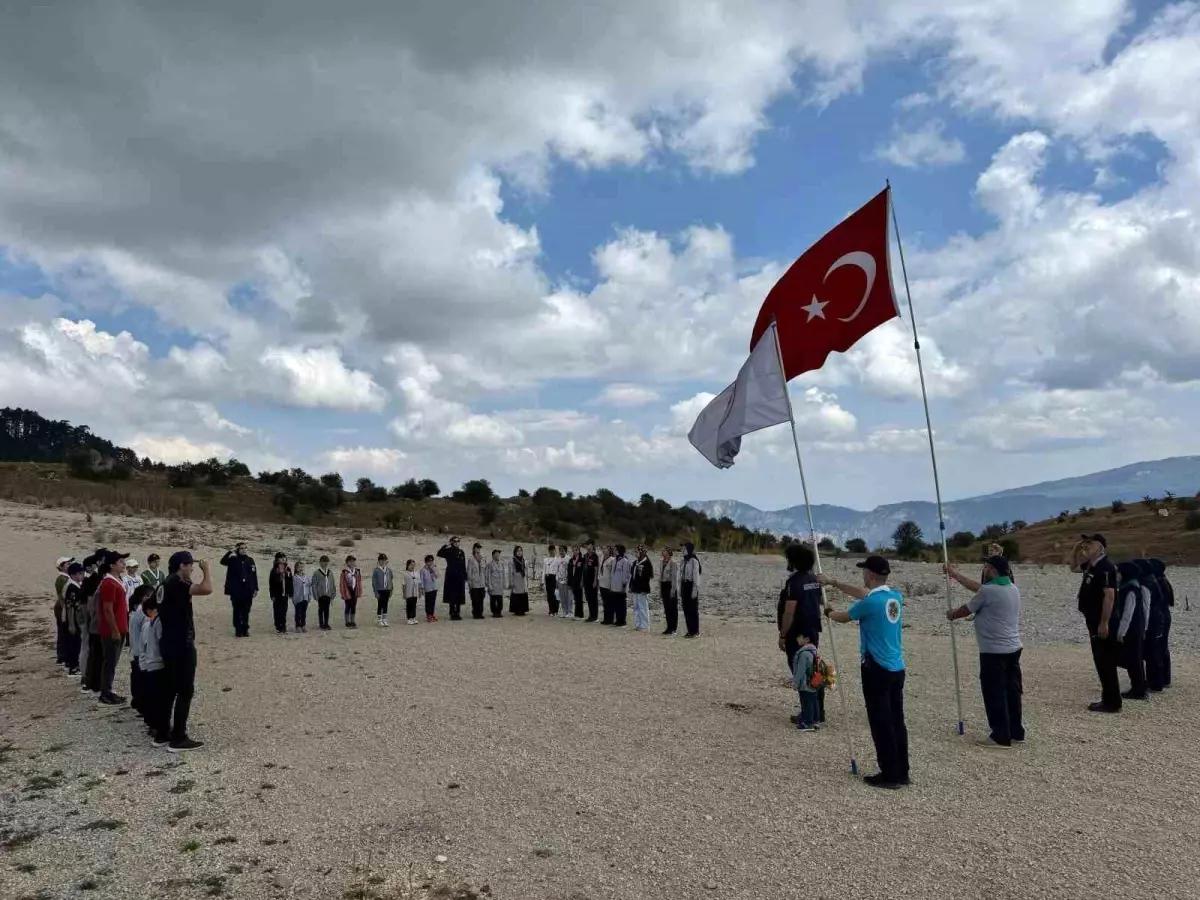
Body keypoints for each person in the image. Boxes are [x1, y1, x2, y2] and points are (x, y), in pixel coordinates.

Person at [821, 556, 909, 789]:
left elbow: (844, 617)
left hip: (876, 667)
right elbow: (862, 593)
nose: (862, 576)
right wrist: (833, 582)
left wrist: (829, 612)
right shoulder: (893, 597)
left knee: (881, 721)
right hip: (897, 667)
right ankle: (902, 771)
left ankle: (889, 774)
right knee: (897, 720)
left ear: (870, 574)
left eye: (864, 572)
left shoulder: (871, 603)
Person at [945, 556, 1025, 747]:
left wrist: (952, 614)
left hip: (993, 651)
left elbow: (967, 609)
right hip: (1013, 648)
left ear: (993, 571)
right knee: (1012, 691)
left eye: (986, 567)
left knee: (994, 692)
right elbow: (978, 588)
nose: (984, 570)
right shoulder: (1012, 588)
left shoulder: (989, 591)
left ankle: (1000, 735)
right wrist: (955, 575)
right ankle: (1016, 732)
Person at [158, 551, 213, 751]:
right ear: (182, 566)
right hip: (181, 644)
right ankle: (178, 737)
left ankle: (162, 732)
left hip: (168, 642)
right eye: (190, 565)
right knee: (184, 690)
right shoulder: (177, 584)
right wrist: (206, 570)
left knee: (169, 689)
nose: (192, 569)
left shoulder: (164, 584)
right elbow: (207, 589)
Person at [1071, 534, 1120, 712]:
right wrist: (1076, 550)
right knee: (1100, 660)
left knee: (1105, 660)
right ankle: (1108, 698)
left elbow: (1110, 596)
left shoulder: (1106, 567)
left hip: (1101, 621)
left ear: (1100, 547)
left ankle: (1112, 702)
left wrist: (1104, 622)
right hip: (1092, 619)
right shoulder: (1092, 565)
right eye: (1085, 544)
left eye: (1089, 544)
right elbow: (1074, 568)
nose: (1086, 547)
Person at [778, 544, 824, 724]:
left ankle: (808, 716)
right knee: (812, 670)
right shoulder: (814, 579)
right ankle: (818, 711)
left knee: (801, 673)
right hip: (813, 630)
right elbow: (818, 600)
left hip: (797, 633)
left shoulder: (794, 582)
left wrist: (783, 634)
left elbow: (789, 611)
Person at [97, 550, 131, 705]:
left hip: (121, 626)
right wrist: (114, 630)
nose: (123, 564)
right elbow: (107, 609)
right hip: (113, 629)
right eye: (120, 562)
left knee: (113, 661)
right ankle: (105, 692)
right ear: (112, 565)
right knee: (110, 661)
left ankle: (108, 690)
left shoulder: (117, 580)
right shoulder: (108, 583)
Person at [1115, 561, 1149, 701]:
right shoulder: (1137, 587)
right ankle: (1140, 686)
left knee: (1133, 660)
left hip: (1131, 629)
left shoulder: (1130, 590)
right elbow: (1146, 610)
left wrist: (1121, 632)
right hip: (1138, 628)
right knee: (1136, 659)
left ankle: (1138, 690)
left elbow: (1127, 613)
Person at [139, 592, 166, 746]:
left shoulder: (150, 623)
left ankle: (154, 725)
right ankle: (158, 727)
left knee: (154, 697)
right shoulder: (152, 623)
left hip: (149, 664)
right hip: (155, 664)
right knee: (158, 699)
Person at [1145, 558, 1174, 691]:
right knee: (1163, 647)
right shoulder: (1163, 581)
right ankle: (1164, 677)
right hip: (1165, 616)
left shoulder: (1156, 583)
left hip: (1159, 617)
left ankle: (1157, 679)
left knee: (1156, 648)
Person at [220, 542, 258, 638]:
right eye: (241, 548)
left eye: (245, 548)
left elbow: (254, 575)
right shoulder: (233, 559)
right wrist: (231, 551)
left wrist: (256, 587)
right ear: (238, 549)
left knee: (246, 610)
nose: (244, 550)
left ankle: (245, 629)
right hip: (236, 589)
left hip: (248, 589)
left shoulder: (250, 560)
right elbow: (222, 561)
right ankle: (238, 629)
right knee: (237, 610)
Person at [128, 584, 154, 719]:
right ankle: (142, 706)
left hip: (136, 650)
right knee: (143, 682)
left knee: (138, 678)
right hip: (141, 652)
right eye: (149, 596)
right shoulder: (142, 613)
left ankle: (139, 702)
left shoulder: (136, 611)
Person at [793, 632, 821, 732]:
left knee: (806, 702)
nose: (797, 639)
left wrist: (796, 683)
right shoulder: (813, 651)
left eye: (799, 636)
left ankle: (808, 723)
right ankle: (815, 720)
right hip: (813, 681)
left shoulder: (804, 653)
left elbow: (801, 670)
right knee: (813, 700)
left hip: (805, 683)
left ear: (807, 639)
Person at [62, 561, 86, 676]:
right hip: (74, 619)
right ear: (74, 574)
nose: (82, 575)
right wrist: (71, 624)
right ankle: (73, 667)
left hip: (77, 617)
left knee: (77, 642)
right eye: (80, 573)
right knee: (74, 642)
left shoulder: (76, 585)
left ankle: (74, 665)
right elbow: (70, 606)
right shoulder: (72, 587)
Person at [437, 537, 468, 621]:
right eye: (455, 541)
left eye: (458, 541)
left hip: (460, 575)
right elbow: (439, 553)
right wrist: (446, 545)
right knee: (452, 594)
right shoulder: (449, 551)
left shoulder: (461, 552)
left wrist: (465, 575)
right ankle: (452, 612)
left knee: (459, 594)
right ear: (452, 542)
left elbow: (463, 564)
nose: (457, 542)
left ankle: (457, 612)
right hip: (451, 575)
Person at [54, 555, 74, 667]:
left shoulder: (66, 577)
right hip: (62, 607)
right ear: (61, 567)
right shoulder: (62, 579)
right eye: (67, 564)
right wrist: (64, 611)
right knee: (63, 631)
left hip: (64, 607)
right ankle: (62, 656)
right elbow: (62, 596)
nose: (69, 565)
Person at [629, 546, 654, 632]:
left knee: (643, 606)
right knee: (636, 606)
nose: (636, 553)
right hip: (635, 587)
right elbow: (632, 576)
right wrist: (630, 586)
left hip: (643, 588)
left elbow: (647, 577)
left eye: (637, 552)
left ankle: (645, 625)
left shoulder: (646, 563)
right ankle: (638, 623)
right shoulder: (635, 562)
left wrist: (644, 588)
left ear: (642, 553)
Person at [680, 542, 702, 638]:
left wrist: (694, 589)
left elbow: (696, 576)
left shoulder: (694, 561)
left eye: (684, 549)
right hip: (684, 585)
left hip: (691, 585)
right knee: (686, 609)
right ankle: (689, 630)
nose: (682, 551)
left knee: (693, 609)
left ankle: (695, 631)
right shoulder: (684, 561)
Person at [269, 554, 293, 635]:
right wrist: (272, 595)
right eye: (281, 558)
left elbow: (290, 581)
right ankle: (278, 626)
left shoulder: (288, 569)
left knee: (284, 610)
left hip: (285, 594)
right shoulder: (274, 570)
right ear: (277, 560)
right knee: (277, 610)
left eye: (284, 558)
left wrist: (290, 592)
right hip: (277, 594)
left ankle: (283, 625)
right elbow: (271, 584)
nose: (283, 559)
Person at [609, 545, 631, 627]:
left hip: (621, 587)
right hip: (614, 586)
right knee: (616, 604)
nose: (614, 551)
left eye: (615, 550)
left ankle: (622, 620)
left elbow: (626, 574)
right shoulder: (615, 560)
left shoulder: (625, 561)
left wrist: (624, 585)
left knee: (622, 604)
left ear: (618, 550)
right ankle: (617, 619)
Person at [312, 556, 336, 631]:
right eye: (323, 561)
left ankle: (326, 623)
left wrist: (333, 594)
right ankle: (321, 623)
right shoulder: (317, 573)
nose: (325, 563)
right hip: (321, 595)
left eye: (326, 562)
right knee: (321, 609)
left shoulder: (330, 572)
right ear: (320, 562)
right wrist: (316, 595)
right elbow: (314, 584)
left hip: (328, 594)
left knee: (327, 609)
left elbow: (332, 583)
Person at [659, 548, 679, 636]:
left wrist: (673, 589)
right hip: (663, 585)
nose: (662, 552)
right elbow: (660, 575)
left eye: (664, 551)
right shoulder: (662, 562)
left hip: (670, 585)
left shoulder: (673, 563)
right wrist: (660, 589)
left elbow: (674, 577)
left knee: (672, 608)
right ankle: (668, 627)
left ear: (668, 553)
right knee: (666, 608)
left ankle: (673, 628)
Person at [340, 555, 362, 628]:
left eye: (353, 561)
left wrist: (359, 591)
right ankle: (347, 621)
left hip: (355, 590)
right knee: (348, 606)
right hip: (347, 591)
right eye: (350, 561)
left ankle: (353, 621)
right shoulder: (344, 572)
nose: (352, 563)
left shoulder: (357, 571)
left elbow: (359, 582)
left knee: (353, 606)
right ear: (347, 563)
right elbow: (342, 584)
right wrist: (343, 593)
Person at [372, 553, 394, 627]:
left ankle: (385, 619)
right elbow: (374, 582)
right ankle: (379, 620)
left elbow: (391, 580)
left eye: (384, 560)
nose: (383, 562)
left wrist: (391, 590)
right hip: (380, 590)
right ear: (378, 561)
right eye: (381, 560)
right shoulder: (376, 570)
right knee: (380, 604)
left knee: (386, 604)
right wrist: (376, 592)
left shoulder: (389, 570)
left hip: (387, 589)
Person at [485, 549, 507, 618]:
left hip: (500, 584)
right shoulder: (489, 564)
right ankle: (494, 612)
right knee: (493, 599)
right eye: (496, 554)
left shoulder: (501, 563)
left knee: (500, 599)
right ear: (493, 555)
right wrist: (489, 585)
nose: (498, 555)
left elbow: (503, 574)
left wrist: (504, 583)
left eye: (498, 554)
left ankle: (499, 611)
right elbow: (487, 575)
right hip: (493, 584)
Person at [467, 543, 486, 621]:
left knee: (481, 598)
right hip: (474, 582)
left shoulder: (482, 558)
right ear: (474, 549)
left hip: (481, 582)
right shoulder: (471, 559)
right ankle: (475, 613)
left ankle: (480, 613)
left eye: (479, 548)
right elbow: (469, 572)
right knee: (475, 599)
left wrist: (481, 561)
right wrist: (470, 583)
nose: (478, 549)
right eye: (477, 548)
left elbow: (484, 569)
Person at [292, 562, 312, 633]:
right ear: (296, 568)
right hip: (298, 599)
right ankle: (298, 626)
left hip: (305, 598)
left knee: (304, 613)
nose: (301, 569)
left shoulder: (307, 578)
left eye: (302, 567)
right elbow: (293, 589)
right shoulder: (294, 578)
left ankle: (303, 625)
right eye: (299, 567)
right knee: (298, 613)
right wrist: (294, 599)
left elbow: (309, 587)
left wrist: (309, 596)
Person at [582, 542, 600, 621]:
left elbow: (596, 569)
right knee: (588, 598)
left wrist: (595, 581)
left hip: (592, 580)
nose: (587, 546)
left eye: (589, 545)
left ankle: (595, 616)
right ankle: (590, 615)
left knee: (593, 598)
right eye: (586, 545)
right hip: (586, 580)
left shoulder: (595, 556)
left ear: (592, 546)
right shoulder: (585, 556)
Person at [541, 544, 560, 616]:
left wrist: (557, 579)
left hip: (554, 577)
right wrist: (542, 581)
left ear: (555, 551)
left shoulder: (557, 560)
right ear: (549, 551)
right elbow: (544, 570)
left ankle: (556, 610)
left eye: (553, 550)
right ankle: (551, 610)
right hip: (547, 577)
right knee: (549, 595)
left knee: (555, 594)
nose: (552, 552)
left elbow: (558, 570)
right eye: (550, 550)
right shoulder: (546, 560)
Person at [510, 547, 530, 615]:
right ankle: (516, 610)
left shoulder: (524, 560)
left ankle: (523, 610)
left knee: (523, 594)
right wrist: (511, 582)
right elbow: (511, 573)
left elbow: (526, 571)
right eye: (518, 551)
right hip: (516, 579)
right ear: (515, 552)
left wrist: (527, 581)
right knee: (516, 594)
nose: (519, 552)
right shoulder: (513, 561)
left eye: (520, 551)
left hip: (523, 579)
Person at [565, 548, 583, 620]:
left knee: (579, 597)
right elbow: (569, 571)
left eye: (577, 550)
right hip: (572, 581)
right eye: (574, 550)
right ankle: (576, 614)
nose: (575, 552)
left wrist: (582, 581)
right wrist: (568, 581)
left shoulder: (581, 560)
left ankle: (580, 614)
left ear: (579, 551)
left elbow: (582, 572)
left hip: (578, 581)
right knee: (575, 598)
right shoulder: (571, 560)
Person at [420, 555, 439, 622]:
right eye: (429, 561)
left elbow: (437, 576)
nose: (431, 563)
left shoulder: (434, 568)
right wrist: (422, 588)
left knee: (433, 602)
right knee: (428, 602)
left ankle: (432, 614)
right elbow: (421, 580)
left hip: (434, 587)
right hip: (428, 588)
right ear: (426, 562)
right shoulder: (423, 570)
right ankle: (428, 614)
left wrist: (433, 569)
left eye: (432, 561)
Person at [598, 546, 614, 625]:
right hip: (602, 583)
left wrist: (612, 585)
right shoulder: (602, 558)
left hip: (608, 583)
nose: (604, 551)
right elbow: (599, 570)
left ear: (609, 550)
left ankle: (610, 619)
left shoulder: (612, 560)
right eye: (603, 549)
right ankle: (605, 618)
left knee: (609, 602)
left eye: (606, 549)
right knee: (604, 602)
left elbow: (612, 573)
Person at [558, 546, 575, 618]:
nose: (561, 552)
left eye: (562, 551)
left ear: (565, 551)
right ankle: (564, 611)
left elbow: (570, 571)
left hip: (567, 580)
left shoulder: (569, 559)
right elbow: (557, 570)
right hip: (560, 580)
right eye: (560, 551)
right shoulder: (558, 559)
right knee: (562, 597)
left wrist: (569, 580)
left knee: (569, 597)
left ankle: (570, 611)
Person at [403, 559, 421, 625]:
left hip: (415, 593)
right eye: (411, 565)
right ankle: (409, 618)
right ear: (408, 565)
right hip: (408, 593)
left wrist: (419, 592)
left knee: (414, 605)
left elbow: (419, 583)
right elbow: (404, 585)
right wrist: (404, 594)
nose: (412, 566)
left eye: (413, 565)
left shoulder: (416, 573)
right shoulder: (405, 574)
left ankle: (413, 617)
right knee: (409, 605)